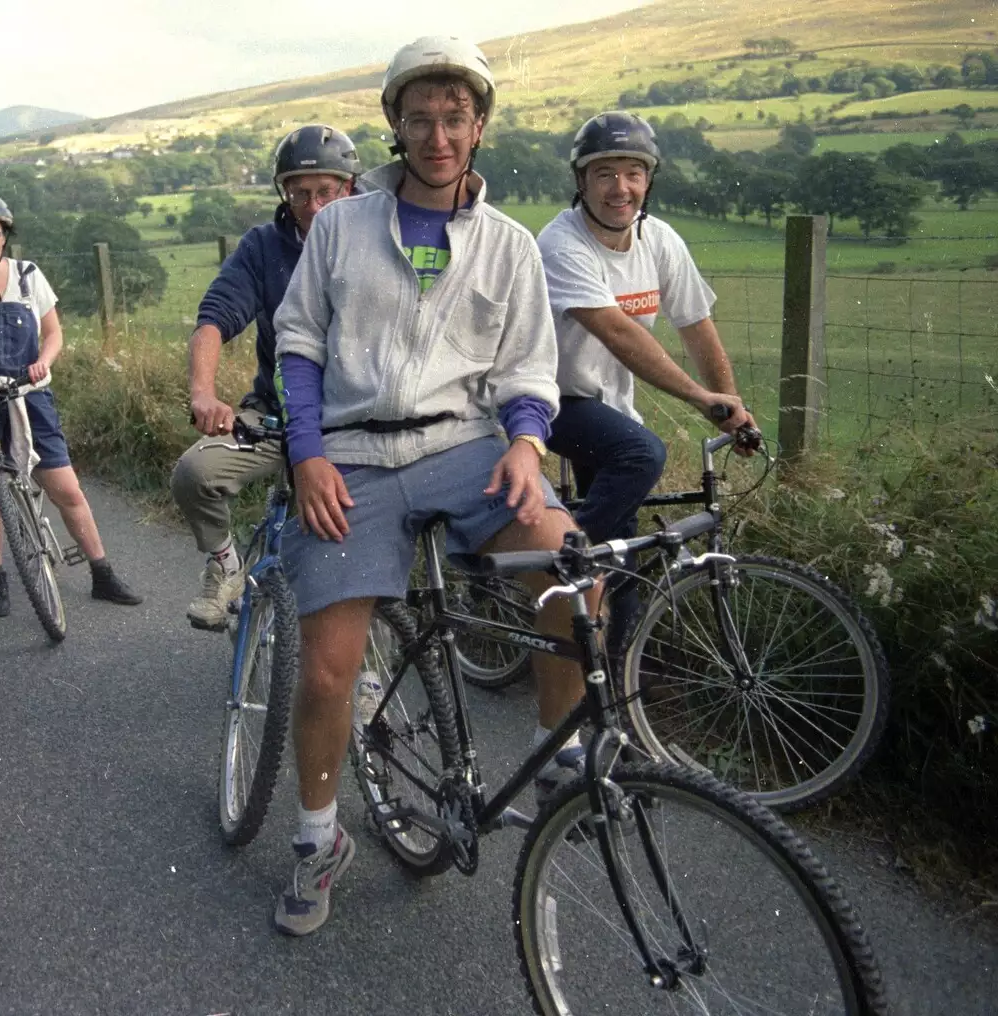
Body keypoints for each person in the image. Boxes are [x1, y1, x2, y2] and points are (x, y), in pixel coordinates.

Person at [267, 36, 599, 937]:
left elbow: (530, 372)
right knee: (331, 668)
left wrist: (527, 447)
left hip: (465, 447)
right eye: (422, 118)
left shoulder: (509, 246)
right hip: (353, 456)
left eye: (456, 118)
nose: (439, 134)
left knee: (575, 575)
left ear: (479, 125)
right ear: (397, 126)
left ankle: (554, 754)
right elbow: (296, 343)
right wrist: (307, 454)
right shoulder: (340, 226)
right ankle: (317, 837)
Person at [539, 110, 757, 651]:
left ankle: (614, 690)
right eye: (605, 173)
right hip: (548, 398)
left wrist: (732, 405)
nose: (621, 188)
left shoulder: (658, 240)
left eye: (633, 173)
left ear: (648, 180)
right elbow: (618, 333)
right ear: (581, 182)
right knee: (641, 455)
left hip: (608, 406)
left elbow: (698, 328)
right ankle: (552, 566)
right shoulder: (561, 243)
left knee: (622, 555)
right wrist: (700, 398)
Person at [170, 125, 361, 631]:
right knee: (196, 474)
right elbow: (214, 318)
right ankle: (225, 565)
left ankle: (366, 677)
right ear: (284, 194)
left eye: (327, 191)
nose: (315, 205)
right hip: (275, 416)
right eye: (301, 192)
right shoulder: (264, 247)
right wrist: (204, 393)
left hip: (354, 424)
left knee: (348, 550)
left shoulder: (375, 240)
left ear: (350, 188)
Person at [0, 193, 141, 617]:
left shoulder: (29, 277)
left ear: (5, 237)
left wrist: (42, 363)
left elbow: (53, 334)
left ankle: (102, 573)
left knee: (67, 489)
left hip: (32, 401)